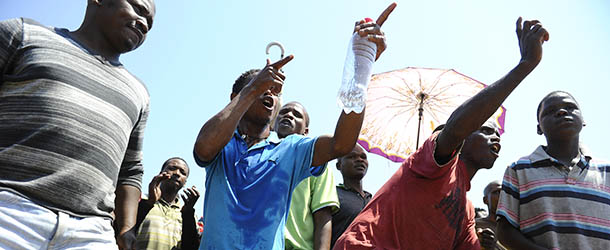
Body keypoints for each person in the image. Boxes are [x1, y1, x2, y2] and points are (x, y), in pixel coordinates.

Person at [333, 17, 549, 250]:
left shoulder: (466, 211)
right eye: (485, 130)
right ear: (464, 138)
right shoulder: (434, 160)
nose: (495, 138)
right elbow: (456, 127)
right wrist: (525, 65)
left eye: (497, 135)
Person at [192, 4, 395, 249]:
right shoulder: (222, 144)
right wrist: (251, 90)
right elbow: (202, 149)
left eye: (275, 91)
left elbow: (342, 143)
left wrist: (362, 65)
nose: (270, 93)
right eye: (261, 87)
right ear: (237, 95)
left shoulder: (290, 150)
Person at [0, 0, 155, 249]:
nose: (145, 24)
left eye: (150, 22)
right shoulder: (23, 34)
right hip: (10, 210)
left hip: (92, 231)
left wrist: (126, 228)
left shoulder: (139, 93)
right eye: (138, 8)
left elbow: (131, 169)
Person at [496, 91, 610, 249]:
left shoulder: (607, 171)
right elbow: (505, 231)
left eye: (570, 107)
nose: (562, 112)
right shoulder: (520, 169)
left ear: (583, 120)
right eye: (549, 111)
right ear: (539, 128)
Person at [275, 102, 340, 250]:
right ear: (274, 123)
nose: (289, 115)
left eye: (297, 115)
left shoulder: (316, 162)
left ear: (306, 131)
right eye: (283, 112)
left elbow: (323, 215)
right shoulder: (259, 157)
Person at [134, 157, 201, 250]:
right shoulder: (140, 201)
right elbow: (124, 231)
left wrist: (188, 213)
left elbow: (191, 246)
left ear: (185, 182)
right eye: (172, 168)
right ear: (161, 173)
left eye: (183, 172)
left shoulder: (188, 214)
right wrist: (149, 203)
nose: (177, 173)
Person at [330, 144, 372, 248]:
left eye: (363, 157)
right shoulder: (332, 194)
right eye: (352, 156)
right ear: (339, 165)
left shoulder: (375, 200)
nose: (359, 160)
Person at [475, 181, 507, 250]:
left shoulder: (516, 229)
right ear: (485, 200)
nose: (501, 195)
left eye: (503, 192)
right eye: (496, 192)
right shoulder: (474, 225)